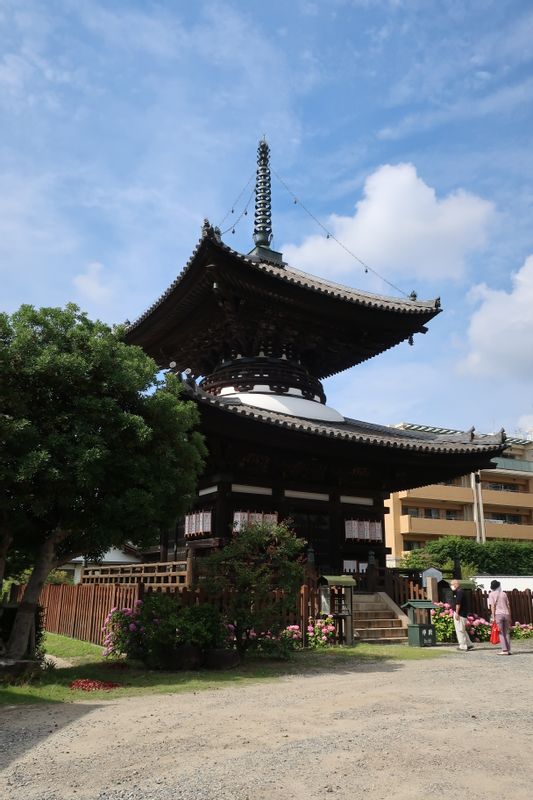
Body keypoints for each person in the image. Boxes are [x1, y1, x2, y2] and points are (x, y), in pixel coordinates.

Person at [488, 580, 512, 655]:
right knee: (507, 632)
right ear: (498, 586)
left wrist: (493, 616)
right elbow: (508, 605)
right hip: (506, 614)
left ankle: (504, 650)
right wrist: (510, 616)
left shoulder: (491, 594)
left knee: (501, 633)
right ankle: (508, 649)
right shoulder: (504, 594)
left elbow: (492, 606)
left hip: (498, 614)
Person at [451, 579, 473, 651]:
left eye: (452, 584)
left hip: (460, 613)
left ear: (456, 584)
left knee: (460, 630)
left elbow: (458, 603)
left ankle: (463, 645)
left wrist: (457, 613)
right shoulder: (459, 591)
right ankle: (469, 644)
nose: (451, 586)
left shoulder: (459, 592)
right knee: (462, 629)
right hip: (462, 613)